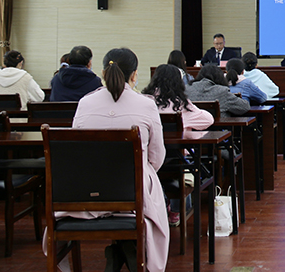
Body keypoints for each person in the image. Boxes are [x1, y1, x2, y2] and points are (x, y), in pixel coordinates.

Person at [69, 48, 169, 272]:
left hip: (88, 195)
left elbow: (77, 152)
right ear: (134, 75)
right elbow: (157, 157)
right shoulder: (146, 105)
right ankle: (128, 251)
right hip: (133, 194)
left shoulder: (85, 103)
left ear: (103, 73)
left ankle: (118, 251)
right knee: (147, 181)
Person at [142, 63, 213, 227]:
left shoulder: (144, 101)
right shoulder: (180, 104)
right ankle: (176, 210)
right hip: (176, 162)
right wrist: (187, 123)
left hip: (148, 162)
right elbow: (208, 120)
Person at [185, 64, 250, 116]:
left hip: (191, 126)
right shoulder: (222, 91)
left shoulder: (186, 89)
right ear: (220, 77)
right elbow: (244, 107)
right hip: (220, 128)